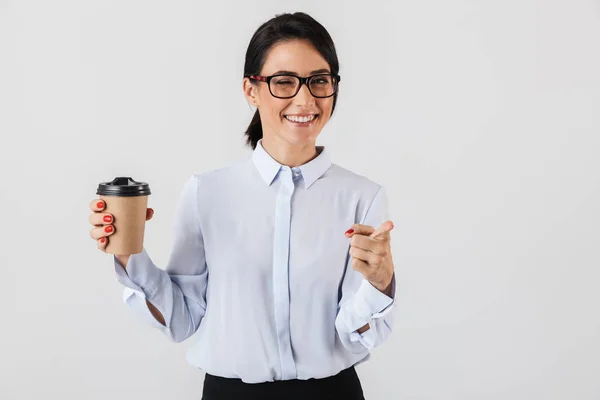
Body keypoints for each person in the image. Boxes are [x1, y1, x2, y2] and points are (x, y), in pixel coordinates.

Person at [88, 12, 396, 400]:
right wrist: (129, 254)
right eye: (284, 82)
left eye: (319, 81)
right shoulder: (207, 192)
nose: (305, 99)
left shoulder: (362, 197)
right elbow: (182, 320)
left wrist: (380, 284)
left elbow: (355, 333)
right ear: (252, 90)